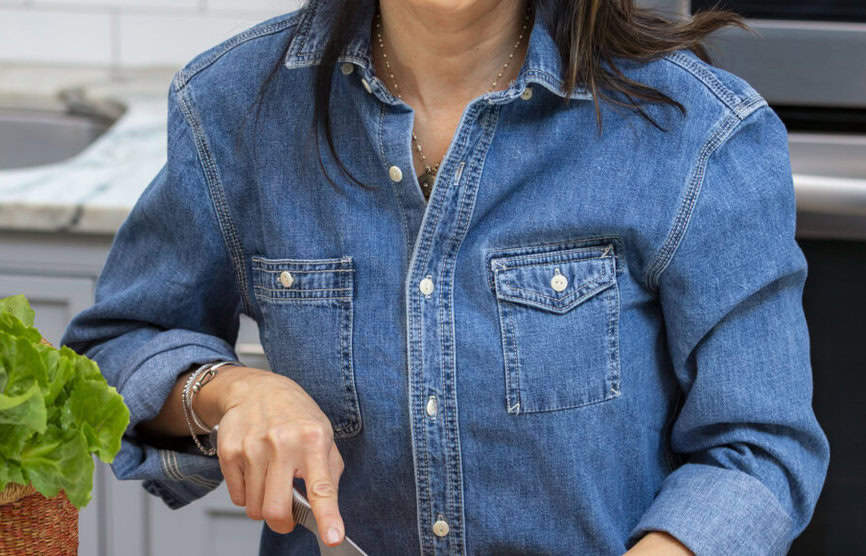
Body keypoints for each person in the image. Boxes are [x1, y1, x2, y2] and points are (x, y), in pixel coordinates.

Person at [62, 0, 830, 553]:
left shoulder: (695, 130)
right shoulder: (235, 105)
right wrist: (231, 391)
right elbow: (117, 347)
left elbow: (760, 449)